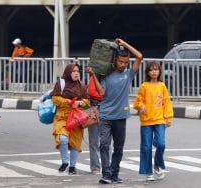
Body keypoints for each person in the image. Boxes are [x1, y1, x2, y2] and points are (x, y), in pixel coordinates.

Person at [87, 38, 143, 184]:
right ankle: (106, 174)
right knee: (104, 144)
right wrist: (93, 75)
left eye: (126, 63)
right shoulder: (106, 74)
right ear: (115, 61)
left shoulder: (129, 74)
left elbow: (139, 57)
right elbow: (101, 93)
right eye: (121, 62)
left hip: (120, 116)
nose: (123, 65)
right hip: (105, 116)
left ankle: (114, 173)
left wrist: (124, 44)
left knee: (118, 148)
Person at [133, 61, 173, 181]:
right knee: (146, 147)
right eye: (152, 69)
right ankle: (148, 172)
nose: (154, 71)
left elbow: (167, 103)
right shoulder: (144, 86)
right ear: (148, 72)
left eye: (156, 69)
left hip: (160, 120)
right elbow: (137, 102)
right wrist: (140, 106)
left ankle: (157, 165)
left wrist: (168, 118)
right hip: (146, 121)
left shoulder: (162, 86)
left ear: (159, 71)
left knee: (161, 143)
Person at [51, 63, 89, 174]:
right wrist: (69, 102)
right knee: (63, 139)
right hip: (62, 116)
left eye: (78, 71)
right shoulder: (61, 84)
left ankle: (72, 166)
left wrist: (80, 102)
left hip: (77, 117)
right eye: (74, 71)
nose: (77, 73)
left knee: (75, 142)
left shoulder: (82, 85)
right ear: (68, 72)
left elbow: (87, 100)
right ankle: (64, 162)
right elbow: (55, 98)